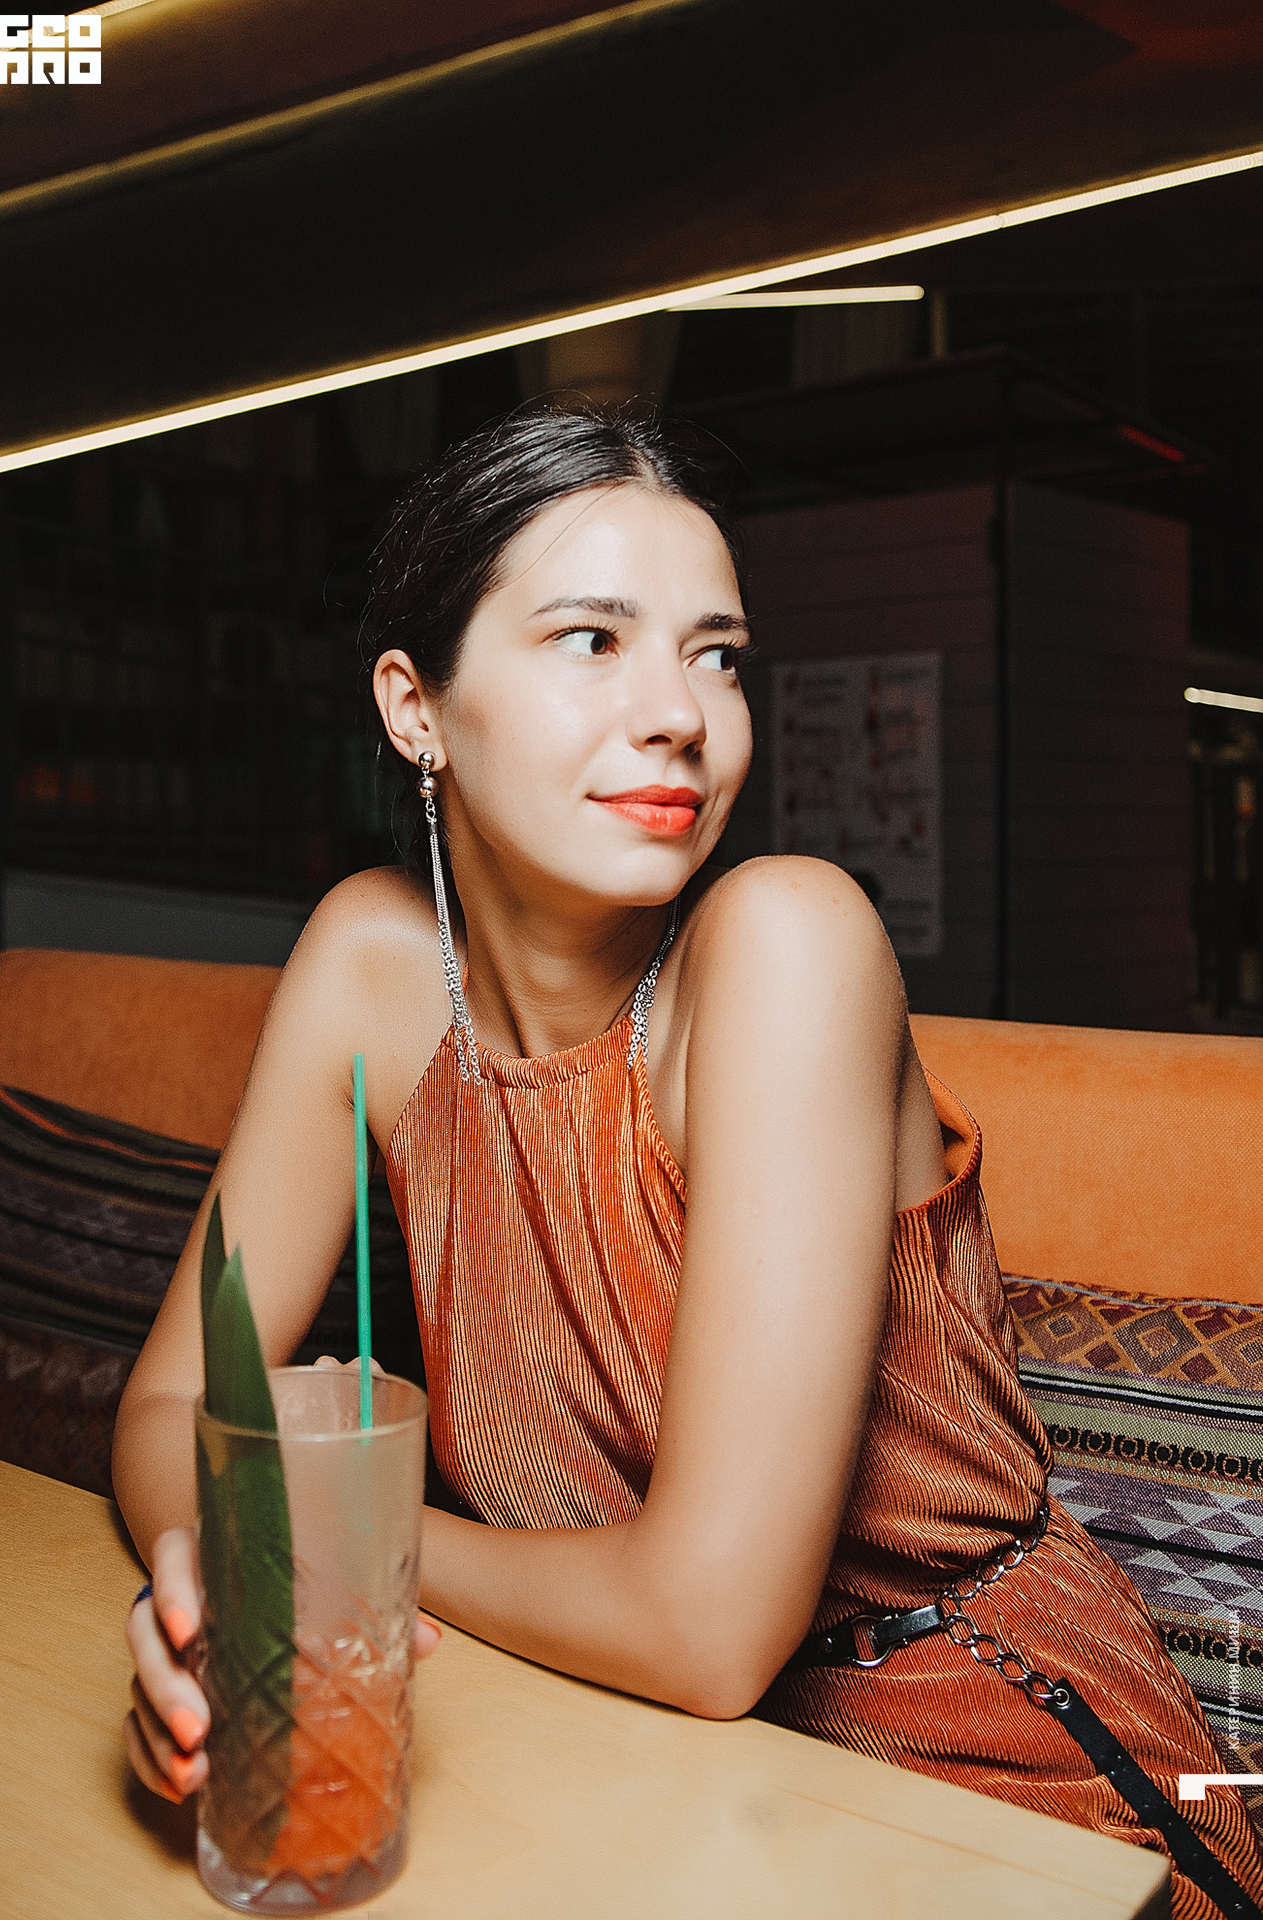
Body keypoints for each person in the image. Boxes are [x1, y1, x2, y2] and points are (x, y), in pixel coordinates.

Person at [116, 405, 1262, 1917]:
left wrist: (332, 1555)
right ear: (414, 706)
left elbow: (707, 1632)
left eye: (717, 656)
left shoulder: (787, 941)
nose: (679, 713)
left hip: (998, 1776)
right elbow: (171, 1408)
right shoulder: (371, 966)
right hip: (628, 1769)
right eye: (591, 639)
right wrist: (223, 1598)